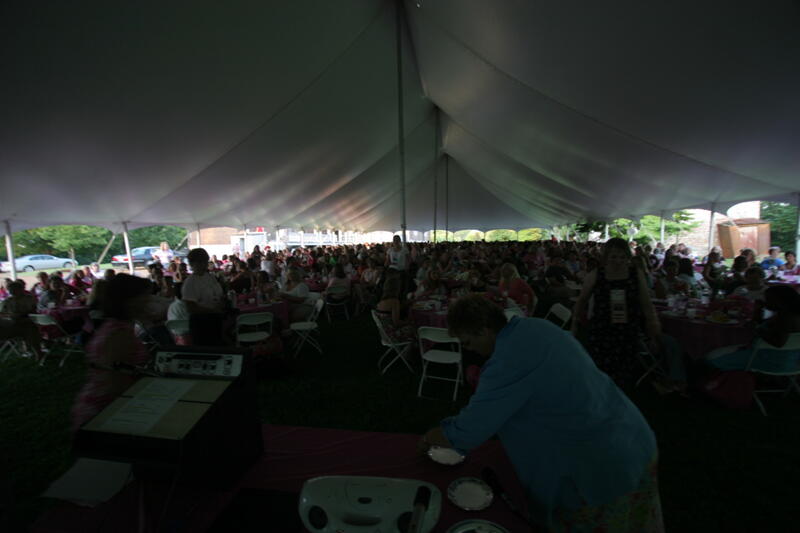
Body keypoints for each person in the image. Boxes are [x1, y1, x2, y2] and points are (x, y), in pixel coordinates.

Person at [420, 295, 662, 531]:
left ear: (484, 330)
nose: (471, 350)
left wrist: (431, 437)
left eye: (468, 343)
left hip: (598, 468)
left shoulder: (507, 362)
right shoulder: (537, 326)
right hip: (632, 438)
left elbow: (469, 430)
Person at [572, 238, 661, 387]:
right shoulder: (596, 274)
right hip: (601, 331)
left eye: (622, 256)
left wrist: (653, 329)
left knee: (624, 374)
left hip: (627, 331)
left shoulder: (635, 274)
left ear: (627, 257)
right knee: (600, 372)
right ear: (606, 257)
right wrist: (575, 324)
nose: (618, 260)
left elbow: (647, 304)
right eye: (613, 256)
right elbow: (582, 301)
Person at [70, 274, 153, 432]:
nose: (149, 302)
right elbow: (116, 382)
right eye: (145, 298)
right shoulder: (119, 334)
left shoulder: (116, 327)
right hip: (104, 413)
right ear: (129, 301)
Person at [706, 286, 800, 371]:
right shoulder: (788, 313)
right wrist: (758, 311)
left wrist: (757, 329)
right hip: (794, 361)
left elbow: (778, 342)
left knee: (708, 360)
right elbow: (764, 325)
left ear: (779, 300)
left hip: (771, 360)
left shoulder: (785, 318)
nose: (765, 301)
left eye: (768, 299)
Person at [181, 248, 226, 345]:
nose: (204, 264)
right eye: (200, 262)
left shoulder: (210, 277)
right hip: (201, 322)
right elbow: (191, 308)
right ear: (192, 263)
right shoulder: (190, 282)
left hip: (215, 318)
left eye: (205, 261)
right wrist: (212, 310)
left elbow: (219, 294)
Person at [0, 281, 41, 361]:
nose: (13, 292)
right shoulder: (7, 301)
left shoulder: (29, 298)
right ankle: (37, 352)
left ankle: (34, 350)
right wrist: (10, 316)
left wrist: (22, 314)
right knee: (29, 328)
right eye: (11, 290)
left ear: (22, 289)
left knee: (30, 327)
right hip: (9, 327)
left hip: (25, 321)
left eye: (15, 289)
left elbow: (34, 310)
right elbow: (2, 314)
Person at [375, 277, 415, 343]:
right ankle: (411, 350)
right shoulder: (394, 301)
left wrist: (405, 304)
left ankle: (408, 349)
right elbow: (396, 323)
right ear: (396, 288)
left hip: (384, 335)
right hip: (393, 336)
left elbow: (389, 311)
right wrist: (409, 321)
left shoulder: (381, 301)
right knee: (416, 327)